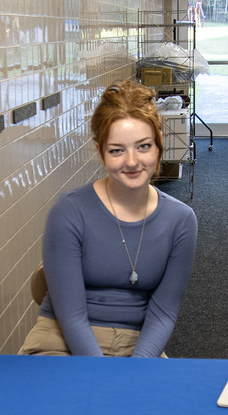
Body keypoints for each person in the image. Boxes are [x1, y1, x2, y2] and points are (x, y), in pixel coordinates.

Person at [19, 80, 198, 357]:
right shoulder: (69, 211)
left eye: (143, 146)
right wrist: (104, 376)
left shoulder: (181, 220)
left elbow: (163, 313)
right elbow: (72, 316)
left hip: (138, 344)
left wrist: (134, 371)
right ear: (100, 151)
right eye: (117, 150)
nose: (131, 161)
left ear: (158, 147)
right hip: (62, 338)